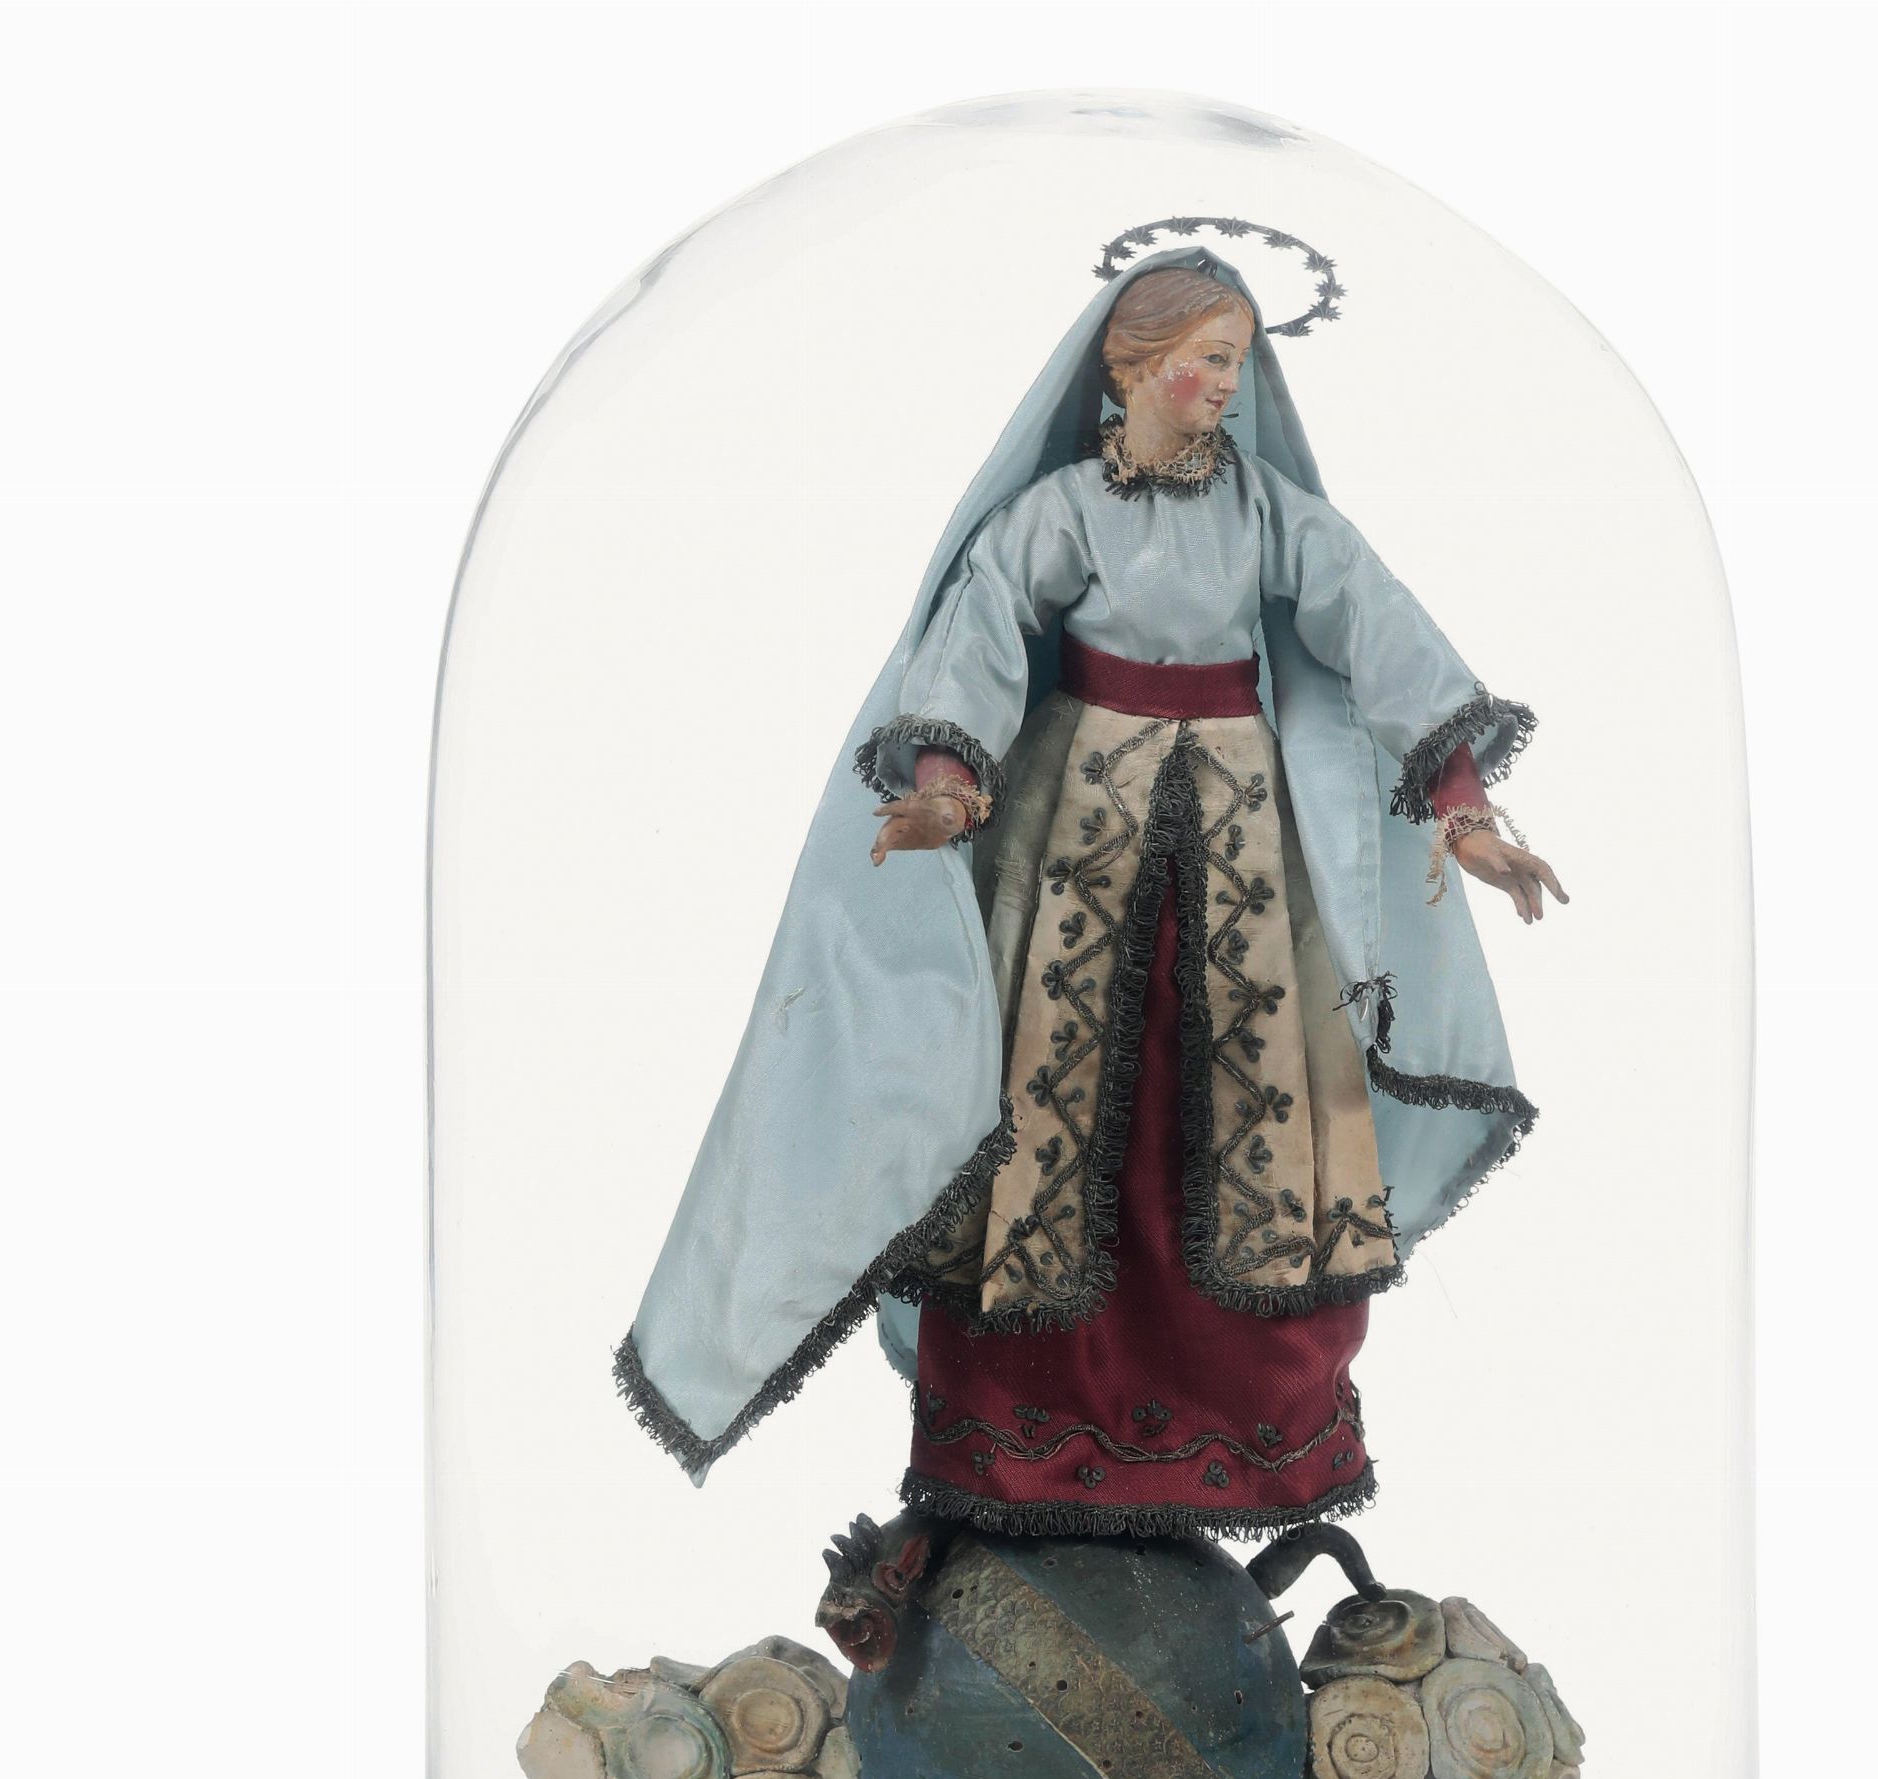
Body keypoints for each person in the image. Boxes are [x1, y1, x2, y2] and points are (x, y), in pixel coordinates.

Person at [617, 240, 1564, 1541]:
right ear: (1132, 364)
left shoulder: (1267, 513)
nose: (1227, 385)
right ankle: (1034, 1433)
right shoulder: (1063, 510)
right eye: (1208, 359)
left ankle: (1230, 1425)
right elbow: (981, 631)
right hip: (1077, 835)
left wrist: (1463, 812)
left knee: (1244, 1115)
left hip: (1243, 837)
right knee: (1055, 1108)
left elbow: (1377, 625)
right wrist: (948, 779)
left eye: (1238, 363)